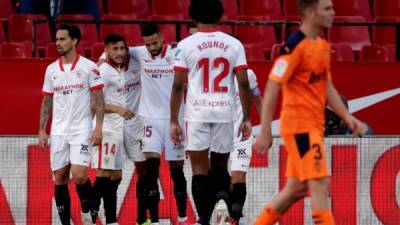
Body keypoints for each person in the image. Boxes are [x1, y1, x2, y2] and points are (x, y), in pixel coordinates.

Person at [253, 0, 366, 224]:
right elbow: (272, 88)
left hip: (313, 126)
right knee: (320, 183)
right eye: (327, 9)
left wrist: (346, 115)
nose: (333, 13)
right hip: (300, 128)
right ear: (311, 12)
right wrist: (265, 130)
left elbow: (327, 86)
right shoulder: (293, 47)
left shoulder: (322, 46)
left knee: (295, 189)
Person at [170, 0, 252, 224]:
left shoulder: (185, 45)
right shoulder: (234, 44)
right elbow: (244, 84)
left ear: (194, 16)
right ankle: (223, 198)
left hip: (197, 114)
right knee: (220, 166)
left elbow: (178, 85)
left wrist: (173, 121)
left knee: (198, 169)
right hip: (225, 112)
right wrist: (246, 117)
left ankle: (204, 218)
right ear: (219, 15)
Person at [98, 23, 189, 225]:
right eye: (147, 44)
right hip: (149, 120)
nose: (151, 48)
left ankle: (183, 217)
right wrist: (101, 60)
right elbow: (111, 55)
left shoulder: (177, 52)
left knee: (177, 170)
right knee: (150, 170)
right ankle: (150, 220)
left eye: (155, 43)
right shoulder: (138, 52)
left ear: (162, 38)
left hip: (175, 119)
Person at [38, 23, 104, 225]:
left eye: (62, 39)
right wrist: (42, 129)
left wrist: (98, 128)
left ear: (74, 41)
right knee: (60, 178)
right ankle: (66, 222)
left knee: (80, 176)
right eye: (56, 39)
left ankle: (87, 214)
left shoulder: (89, 67)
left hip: (81, 129)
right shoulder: (51, 70)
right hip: (58, 131)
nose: (57, 43)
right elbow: (47, 100)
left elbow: (99, 99)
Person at [91, 33, 146, 225]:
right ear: (106, 49)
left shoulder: (128, 66)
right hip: (107, 127)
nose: (120, 52)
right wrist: (117, 109)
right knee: (104, 174)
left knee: (116, 176)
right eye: (115, 49)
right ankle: (90, 212)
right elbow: (93, 103)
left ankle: (108, 218)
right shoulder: (102, 71)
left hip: (122, 129)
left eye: (122, 48)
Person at [229, 68, 262, 225]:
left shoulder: (248, 75)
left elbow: (257, 99)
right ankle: (225, 214)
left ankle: (233, 219)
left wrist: (266, 131)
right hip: (217, 136)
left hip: (242, 136)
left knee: (238, 178)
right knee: (222, 181)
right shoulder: (213, 75)